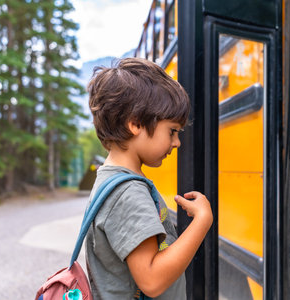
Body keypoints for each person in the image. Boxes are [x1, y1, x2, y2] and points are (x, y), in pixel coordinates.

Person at [85, 57, 213, 299]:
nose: (177, 142)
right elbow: (152, 280)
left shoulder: (111, 180)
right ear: (135, 124)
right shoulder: (128, 192)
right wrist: (202, 221)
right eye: (172, 131)